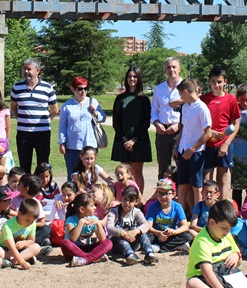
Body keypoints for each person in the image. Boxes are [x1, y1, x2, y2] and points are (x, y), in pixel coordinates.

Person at [11, 58, 58, 172]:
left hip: (42, 133)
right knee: (24, 165)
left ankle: (42, 188)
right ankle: (27, 188)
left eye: (29, 69)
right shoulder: (17, 87)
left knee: (43, 165)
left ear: (37, 71)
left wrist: (45, 121)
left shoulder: (47, 87)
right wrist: (22, 120)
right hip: (23, 134)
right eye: (25, 69)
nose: (26, 72)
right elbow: (13, 107)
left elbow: (54, 110)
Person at [200, 67, 240, 202]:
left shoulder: (231, 99)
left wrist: (226, 143)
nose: (216, 85)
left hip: (224, 145)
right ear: (209, 82)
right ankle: (207, 206)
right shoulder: (203, 99)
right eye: (213, 82)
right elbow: (198, 123)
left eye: (219, 82)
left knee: (222, 178)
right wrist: (210, 132)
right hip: (208, 144)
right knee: (207, 178)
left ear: (225, 82)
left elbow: (236, 124)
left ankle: (222, 206)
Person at [110, 66, 152, 194]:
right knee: (126, 172)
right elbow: (116, 122)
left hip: (139, 139)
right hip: (123, 140)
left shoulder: (144, 99)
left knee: (137, 172)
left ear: (139, 78)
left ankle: (138, 201)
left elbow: (146, 122)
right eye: (129, 76)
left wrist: (134, 140)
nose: (132, 79)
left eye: (134, 76)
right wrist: (125, 141)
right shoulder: (120, 98)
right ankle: (127, 198)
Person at [174, 78, 212, 215]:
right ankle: (180, 215)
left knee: (197, 185)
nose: (180, 98)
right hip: (183, 149)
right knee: (182, 183)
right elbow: (183, 128)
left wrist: (193, 148)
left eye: (180, 94)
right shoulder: (185, 107)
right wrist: (177, 145)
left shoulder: (202, 108)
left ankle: (198, 215)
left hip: (196, 152)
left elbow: (207, 133)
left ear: (185, 92)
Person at [58, 75, 106, 178]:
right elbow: (62, 126)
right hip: (72, 145)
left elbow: (103, 118)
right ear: (73, 89)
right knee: (73, 174)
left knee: (90, 173)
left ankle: (89, 192)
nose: (83, 91)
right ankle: (72, 193)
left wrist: (96, 112)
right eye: (80, 89)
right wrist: (62, 142)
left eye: (85, 88)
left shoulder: (93, 102)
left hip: (90, 144)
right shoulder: (66, 106)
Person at [107, 185, 156, 265]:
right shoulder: (114, 211)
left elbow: (145, 225)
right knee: (119, 235)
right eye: (125, 199)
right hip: (117, 244)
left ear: (136, 202)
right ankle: (130, 255)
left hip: (133, 242)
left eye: (130, 201)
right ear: (121, 198)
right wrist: (123, 233)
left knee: (142, 233)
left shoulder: (136, 212)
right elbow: (109, 227)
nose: (127, 203)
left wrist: (136, 231)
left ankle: (149, 252)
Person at [0, 197, 44, 270]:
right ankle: (25, 258)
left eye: (32, 221)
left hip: (20, 249)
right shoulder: (8, 225)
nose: (29, 223)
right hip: (6, 248)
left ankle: (10, 262)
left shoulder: (32, 223)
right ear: (19, 213)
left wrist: (24, 243)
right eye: (27, 220)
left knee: (36, 247)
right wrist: (21, 262)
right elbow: (11, 247)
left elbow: (32, 240)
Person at [151, 57, 182, 178]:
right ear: (165, 70)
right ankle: (162, 194)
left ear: (179, 69)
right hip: (162, 132)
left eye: (174, 67)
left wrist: (178, 125)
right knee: (163, 168)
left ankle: (180, 195)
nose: (171, 70)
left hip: (179, 132)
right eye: (169, 67)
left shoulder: (185, 87)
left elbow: (190, 111)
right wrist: (156, 123)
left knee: (181, 166)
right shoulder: (159, 89)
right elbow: (154, 110)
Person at [63, 192, 112, 267]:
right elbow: (73, 238)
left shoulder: (93, 219)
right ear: (82, 209)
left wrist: (98, 223)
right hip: (74, 250)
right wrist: (81, 222)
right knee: (65, 243)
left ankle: (86, 260)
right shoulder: (71, 219)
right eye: (92, 206)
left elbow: (103, 240)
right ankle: (94, 258)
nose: (95, 208)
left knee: (108, 242)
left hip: (88, 249)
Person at [146, 178, 192, 253]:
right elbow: (148, 226)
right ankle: (174, 246)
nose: (163, 197)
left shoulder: (177, 207)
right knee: (145, 236)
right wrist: (159, 233)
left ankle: (160, 247)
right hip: (156, 234)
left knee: (187, 235)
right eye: (160, 193)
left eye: (166, 193)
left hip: (171, 234)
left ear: (173, 194)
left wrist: (175, 232)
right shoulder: (152, 206)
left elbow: (185, 226)